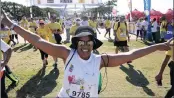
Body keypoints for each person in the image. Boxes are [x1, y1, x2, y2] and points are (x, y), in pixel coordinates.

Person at [1, 10, 174, 97]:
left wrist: (157, 47)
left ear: (93, 43)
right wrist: (10, 24)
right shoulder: (66, 54)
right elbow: (37, 41)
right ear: (76, 43)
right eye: (80, 42)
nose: (84, 45)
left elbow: (131, 55)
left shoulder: (100, 60)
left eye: (88, 41)